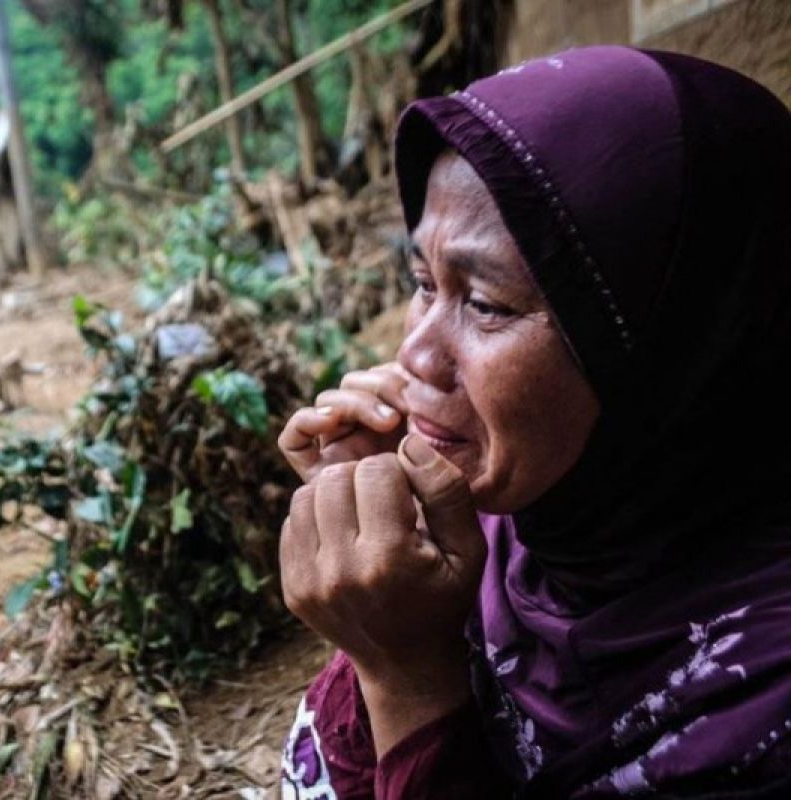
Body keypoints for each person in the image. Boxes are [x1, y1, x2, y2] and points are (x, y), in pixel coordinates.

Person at [277, 45, 791, 798]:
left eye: (485, 304)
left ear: (671, 348)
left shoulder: (762, 711)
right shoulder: (523, 520)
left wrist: (410, 680)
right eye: (423, 282)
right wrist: (385, 570)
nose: (415, 354)